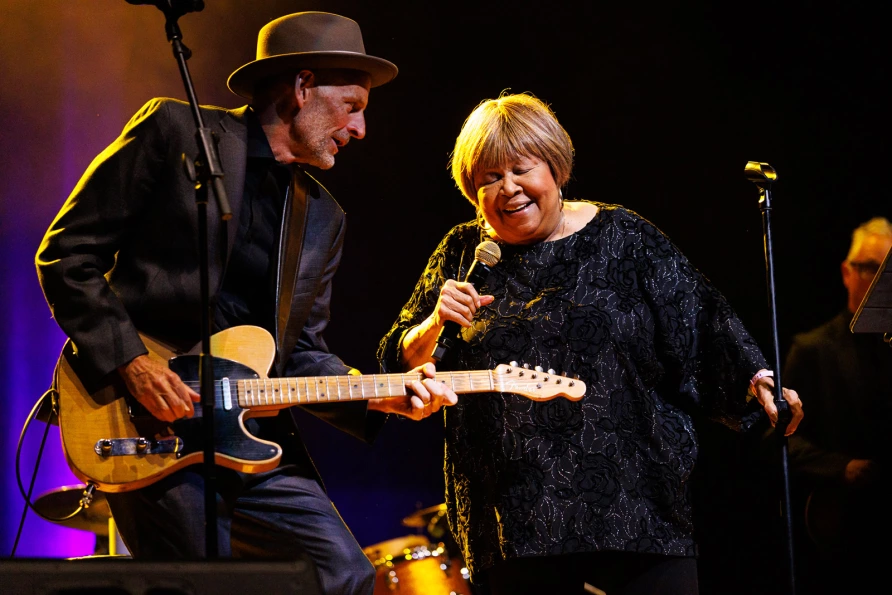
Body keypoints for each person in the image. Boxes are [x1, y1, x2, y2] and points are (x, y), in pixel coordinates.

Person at [35, 11, 456, 595]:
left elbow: (301, 349)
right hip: (144, 422)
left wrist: (381, 396)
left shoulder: (323, 218)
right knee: (196, 582)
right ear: (302, 88)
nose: (361, 129)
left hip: (249, 432)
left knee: (343, 574)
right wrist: (132, 363)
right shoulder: (176, 132)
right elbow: (67, 255)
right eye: (352, 105)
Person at [376, 92, 803, 595]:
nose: (507, 188)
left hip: (638, 505)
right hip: (513, 519)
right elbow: (398, 364)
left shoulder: (624, 237)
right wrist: (432, 323)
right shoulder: (462, 252)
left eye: (520, 169)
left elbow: (702, 320)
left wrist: (757, 381)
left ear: (555, 167)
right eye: (489, 178)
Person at [782, 217, 892, 594]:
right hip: (842, 528)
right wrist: (840, 467)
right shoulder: (813, 348)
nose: (878, 282)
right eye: (868, 268)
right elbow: (777, 437)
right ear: (847, 272)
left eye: (886, 271)